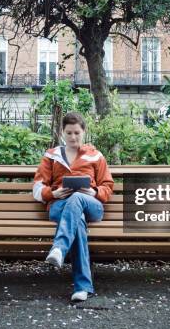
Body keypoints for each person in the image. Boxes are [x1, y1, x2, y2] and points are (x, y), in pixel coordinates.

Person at [32, 112, 114, 302]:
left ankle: (59, 248)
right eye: (69, 133)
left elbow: (107, 186)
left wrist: (94, 193)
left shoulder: (95, 156)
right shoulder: (51, 156)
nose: (73, 137)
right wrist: (52, 194)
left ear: (83, 132)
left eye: (77, 132)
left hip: (91, 205)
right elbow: (37, 187)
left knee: (78, 197)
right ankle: (82, 287)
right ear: (62, 132)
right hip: (60, 205)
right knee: (78, 223)